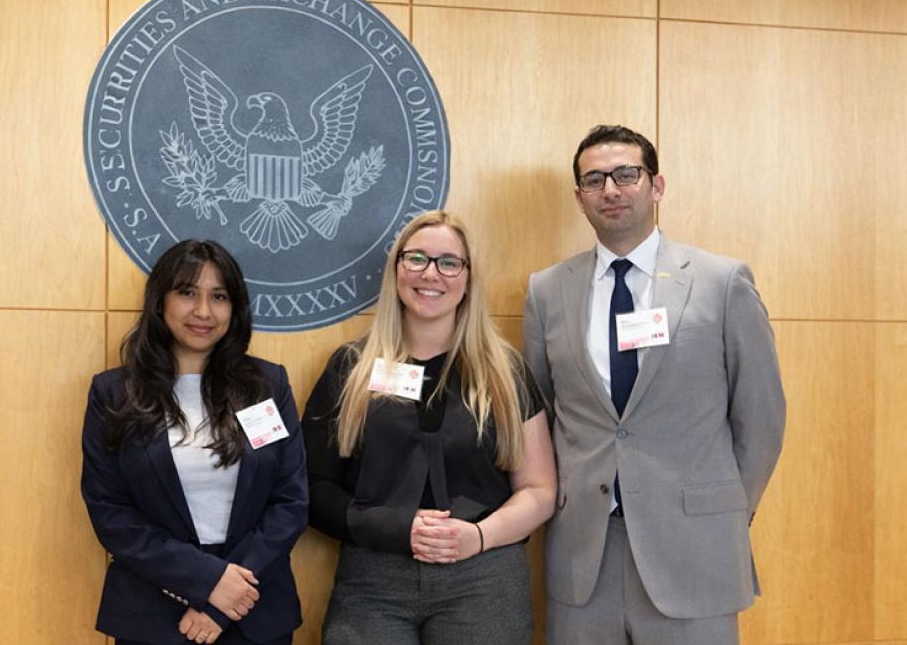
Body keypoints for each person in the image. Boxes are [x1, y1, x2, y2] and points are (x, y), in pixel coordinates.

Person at [523, 125, 786, 644]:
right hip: (584, 556)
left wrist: (722, 506)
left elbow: (761, 417)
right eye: (594, 180)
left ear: (656, 186)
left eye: (626, 174)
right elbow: (538, 417)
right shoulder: (546, 291)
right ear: (579, 197)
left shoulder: (721, 282)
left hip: (695, 549)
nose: (611, 190)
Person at [303, 210, 557, 645]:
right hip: (372, 582)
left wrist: (478, 537)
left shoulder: (506, 371)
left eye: (449, 262)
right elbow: (313, 487)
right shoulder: (351, 368)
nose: (430, 274)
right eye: (416, 258)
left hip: (484, 577)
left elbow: (539, 490)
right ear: (397, 269)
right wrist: (393, 526)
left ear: (468, 277)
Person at [81, 240, 307, 645]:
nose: (203, 311)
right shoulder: (114, 394)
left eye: (219, 296)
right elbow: (110, 511)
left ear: (234, 308)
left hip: (254, 609)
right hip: (152, 613)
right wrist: (206, 581)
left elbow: (290, 501)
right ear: (160, 301)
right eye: (187, 292)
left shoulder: (266, 386)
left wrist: (225, 599)